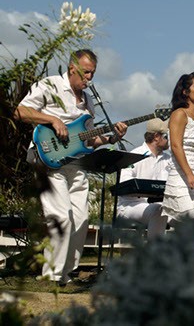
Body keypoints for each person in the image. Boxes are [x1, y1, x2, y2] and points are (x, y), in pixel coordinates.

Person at [14, 49, 128, 285]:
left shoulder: (88, 102)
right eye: (86, 72)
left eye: (93, 73)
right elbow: (20, 111)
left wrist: (110, 138)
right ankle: (51, 275)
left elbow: (87, 140)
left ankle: (66, 274)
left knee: (81, 217)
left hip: (75, 163)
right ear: (72, 68)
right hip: (48, 159)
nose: (89, 78)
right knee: (61, 216)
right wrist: (52, 120)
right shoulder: (51, 85)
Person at [161, 72, 194, 222]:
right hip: (181, 178)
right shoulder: (179, 114)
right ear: (185, 92)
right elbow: (175, 145)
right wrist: (189, 175)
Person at [116, 118, 171, 238]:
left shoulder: (169, 159)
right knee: (159, 210)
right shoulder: (135, 156)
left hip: (159, 205)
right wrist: (147, 190)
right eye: (166, 136)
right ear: (156, 137)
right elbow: (124, 184)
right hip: (130, 206)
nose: (169, 140)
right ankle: (153, 254)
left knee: (189, 213)